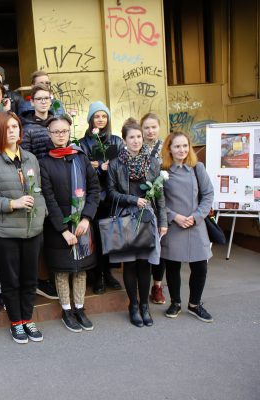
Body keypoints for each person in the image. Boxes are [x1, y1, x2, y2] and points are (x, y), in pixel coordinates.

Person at [0, 111, 47, 344]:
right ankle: (16, 322)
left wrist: (42, 213)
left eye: (15, 127)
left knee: (30, 279)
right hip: (5, 233)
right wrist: (11, 204)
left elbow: (39, 191)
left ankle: (27, 319)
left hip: (32, 230)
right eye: (7, 128)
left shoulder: (30, 158)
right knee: (11, 279)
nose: (13, 131)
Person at [39, 115, 101, 332]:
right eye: (55, 132)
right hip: (59, 227)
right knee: (63, 270)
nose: (60, 135)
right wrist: (63, 230)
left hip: (83, 224)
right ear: (49, 134)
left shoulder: (80, 157)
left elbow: (94, 189)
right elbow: (48, 199)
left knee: (81, 269)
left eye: (64, 131)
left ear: (69, 132)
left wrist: (86, 217)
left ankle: (80, 308)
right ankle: (66, 310)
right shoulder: (44, 162)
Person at [107, 118, 167, 328]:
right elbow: (111, 193)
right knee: (130, 264)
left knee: (145, 264)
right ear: (124, 140)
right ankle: (133, 305)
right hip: (125, 217)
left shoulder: (152, 162)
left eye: (138, 137)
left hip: (147, 218)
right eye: (131, 137)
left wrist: (163, 221)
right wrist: (132, 200)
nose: (136, 141)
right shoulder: (116, 164)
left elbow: (159, 195)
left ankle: (145, 307)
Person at [160, 131, 214, 323]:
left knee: (200, 267)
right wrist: (174, 217)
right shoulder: (163, 171)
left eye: (185, 146)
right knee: (173, 266)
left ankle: (194, 304)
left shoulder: (197, 168)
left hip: (196, 226)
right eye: (177, 146)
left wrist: (197, 216)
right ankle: (175, 302)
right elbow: (158, 202)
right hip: (174, 226)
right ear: (170, 149)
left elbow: (208, 195)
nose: (181, 150)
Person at [80, 101, 124, 294]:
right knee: (97, 238)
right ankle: (97, 276)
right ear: (91, 119)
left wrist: (108, 168)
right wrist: (98, 167)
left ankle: (109, 273)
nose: (100, 119)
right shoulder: (83, 143)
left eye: (103, 116)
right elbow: (83, 169)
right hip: (96, 197)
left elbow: (123, 166)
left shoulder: (116, 140)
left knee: (110, 237)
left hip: (113, 197)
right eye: (96, 116)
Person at [19, 83, 58, 300]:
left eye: (47, 98)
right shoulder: (28, 127)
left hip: (58, 185)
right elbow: (27, 161)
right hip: (39, 186)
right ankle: (37, 281)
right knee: (39, 238)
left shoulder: (57, 122)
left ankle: (53, 279)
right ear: (32, 102)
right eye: (39, 98)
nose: (43, 102)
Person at [140, 112, 166, 304]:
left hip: (165, 201)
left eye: (153, 127)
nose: (150, 131)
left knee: (162, 247)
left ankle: (157, 286)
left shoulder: (167, 147)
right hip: (145, 203)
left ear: (159, 127)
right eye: (146, 127)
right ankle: (143, 286)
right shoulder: (137, 147)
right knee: (146, 246)